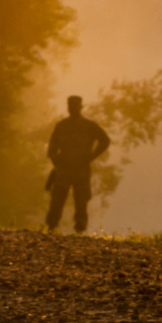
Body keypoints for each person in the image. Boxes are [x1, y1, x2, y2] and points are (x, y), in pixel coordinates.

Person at [44, 94, 111, 234]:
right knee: (58, 199)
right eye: (71, 106)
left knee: (81, 200)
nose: (73, 108)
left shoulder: (89, 126)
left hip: (80, 168)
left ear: (80, 107)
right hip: (65, 169)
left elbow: (105, 140)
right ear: (68, 107)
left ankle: (79, 228)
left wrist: (91, 156)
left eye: (75, 106)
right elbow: (52, 149)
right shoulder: (62, 126)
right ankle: (52, 226)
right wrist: (56, 159)